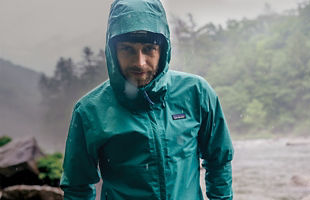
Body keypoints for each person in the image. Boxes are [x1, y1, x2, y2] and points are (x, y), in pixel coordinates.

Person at [60, 0, 234, 199]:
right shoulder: (90, 110)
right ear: (113, 51)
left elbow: (218, 161)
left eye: (149, 49)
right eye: (127, 49)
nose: (139, 62)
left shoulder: (197, 92)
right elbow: (77, 187)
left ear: (163, 49)